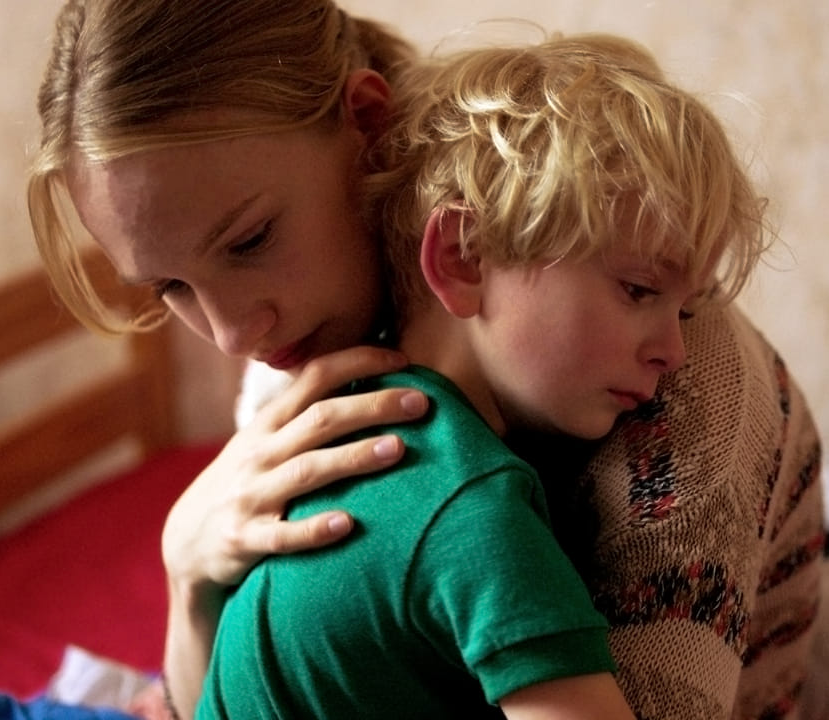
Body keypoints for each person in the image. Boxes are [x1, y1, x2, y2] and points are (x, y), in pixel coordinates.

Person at [28, 1, 823, 719]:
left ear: (367, 120)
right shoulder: (299, 358)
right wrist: (186, 575)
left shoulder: (673, 377)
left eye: (250, 240)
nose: (233, 336)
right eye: (170, 286)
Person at [191, 32, 767, 720]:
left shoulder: (367, 434)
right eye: (639, 290)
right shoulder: (471, 509)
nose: (676, 352)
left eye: (685, 310)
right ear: (462, 257)